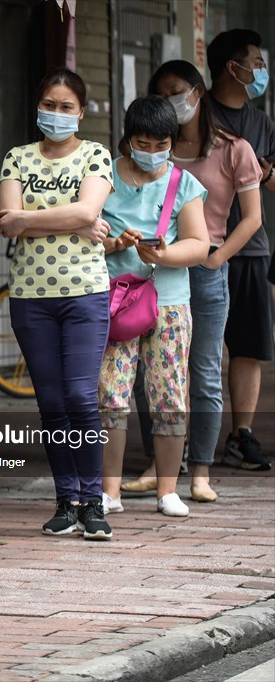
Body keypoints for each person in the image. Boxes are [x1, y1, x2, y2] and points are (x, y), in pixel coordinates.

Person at [120, 60, 263, 503]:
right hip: (145, 272)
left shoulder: (233, 148)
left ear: (199, 92)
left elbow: (253, 218)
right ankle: (161, 465)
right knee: (152, 374)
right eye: (162, 93)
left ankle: (200, 469)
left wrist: (216, 257)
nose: (172, 101)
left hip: (203, 272)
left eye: (178, 91)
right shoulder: (146, 147)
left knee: (201, 374)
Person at [0, 68, 113, 540]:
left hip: (85, 291)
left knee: (81, 397)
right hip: (31, 296)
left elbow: (89, 212)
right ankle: (66, 499)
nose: (57, 114)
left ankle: (93, 500)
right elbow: (7, 223)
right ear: (37, 107)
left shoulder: (96, 155)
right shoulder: (16, 158)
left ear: (81, 112)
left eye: (67, 107)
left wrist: (33, 217)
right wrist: (71, 221)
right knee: (49, 401)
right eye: (50, 104)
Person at [99, 96, 209, 518]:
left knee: (169, 394)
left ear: (172, 141)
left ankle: (168, 490)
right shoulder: (104, 173)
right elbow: (86, 230)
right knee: (111, 392)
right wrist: (115, 244)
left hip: (169, 302)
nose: (151, 150)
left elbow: (198, 245)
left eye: (160, 142)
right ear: (127, 140)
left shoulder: (184, 184)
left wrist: (163, 255)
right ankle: (110, 492)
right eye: (142, 142)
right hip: (115, 299)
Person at [206, 29, 274, 472]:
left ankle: (241, 434)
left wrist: (265, 177)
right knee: (197, 347)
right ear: (234, 67)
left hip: (249, 248)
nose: (262, 70)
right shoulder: (197, 113)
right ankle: (184, 436)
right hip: (200, 245)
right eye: (256, 61)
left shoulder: (263, 123)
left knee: (247, 346)